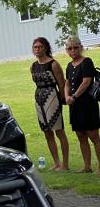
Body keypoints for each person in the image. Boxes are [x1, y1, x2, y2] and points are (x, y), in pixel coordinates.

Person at [31, 37, 70, 171]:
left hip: (52, 97)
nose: (37, 49)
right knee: (47, 132)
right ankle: (56, 162)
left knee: (59, 130)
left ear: (46, 48)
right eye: (35, 47)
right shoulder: (34, 65)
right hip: (39, 99)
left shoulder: (53, 64)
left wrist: (62, 100)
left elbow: (61, 83)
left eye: (40, 47)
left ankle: (65, 164)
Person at [63, 36, 100, 173]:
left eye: (75, 47)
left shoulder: (86, 62)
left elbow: (87, 81)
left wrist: (73, 96)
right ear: (66, 50)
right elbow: (67, 83)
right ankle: (87, 166)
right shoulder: (69, 65)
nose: (73, 50)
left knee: (94, 136)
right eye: (69, 48)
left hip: (87, 104)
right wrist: (66, 96)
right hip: (75, 106)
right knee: (81, 135)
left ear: (81, 47)